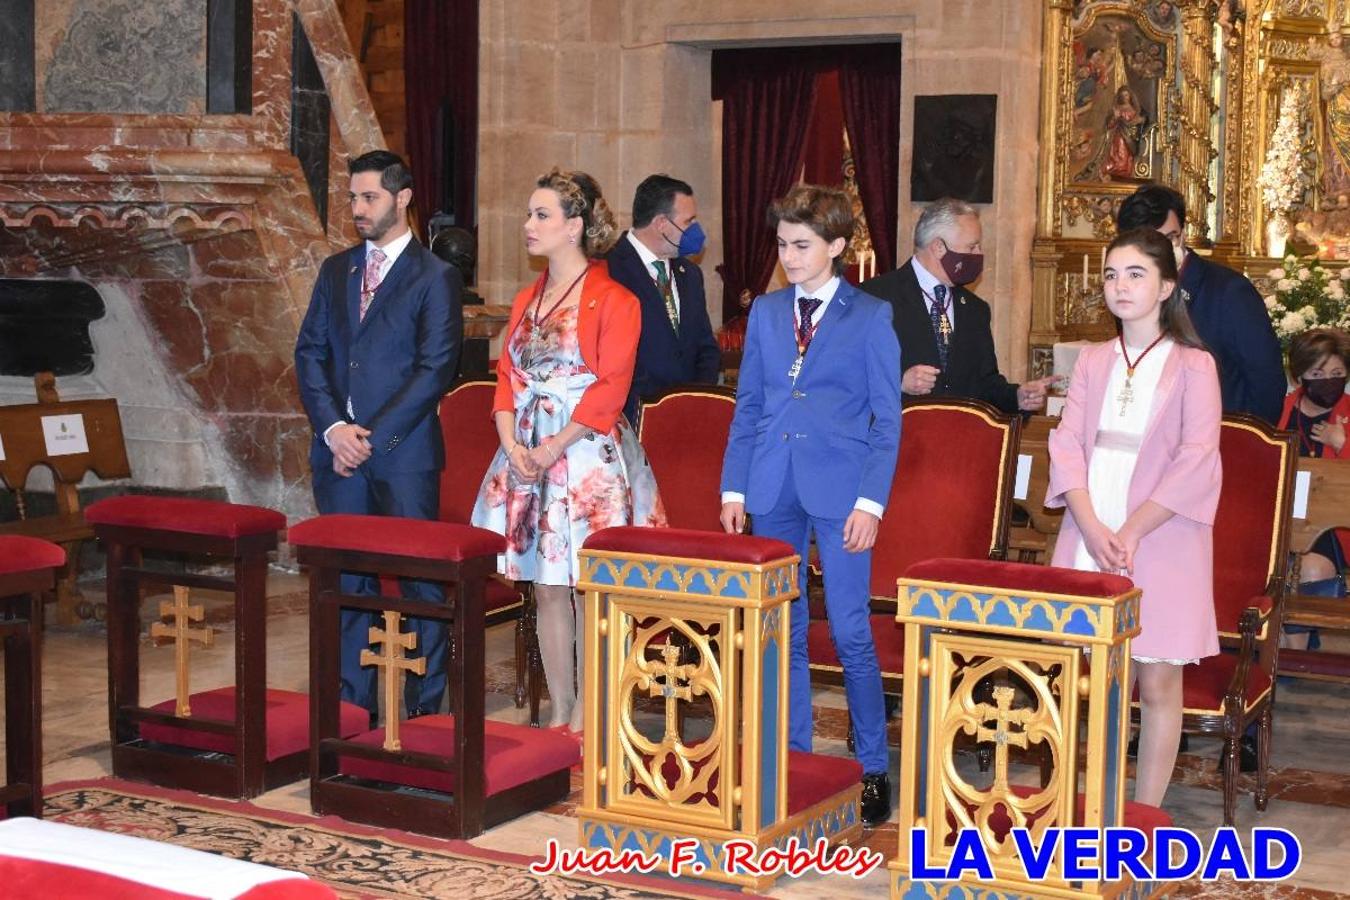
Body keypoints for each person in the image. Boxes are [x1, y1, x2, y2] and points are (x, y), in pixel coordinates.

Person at [719, 184, 901, 828]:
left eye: (801, 246)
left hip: (843, 492)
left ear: (837, 247)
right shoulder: (768, 313)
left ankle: (874, 767)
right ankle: (795, 759)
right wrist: (734, 488)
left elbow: (887, 419)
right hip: (773, 488)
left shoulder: (870, 316)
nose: (788, 258)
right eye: (781, 245)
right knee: (783, 631)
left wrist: (871, 501)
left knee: (851, 632)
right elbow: (749, 405)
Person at [472, 168, 667, 736]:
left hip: (586, 456)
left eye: (541, 215)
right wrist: (512, 443)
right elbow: (507, 373)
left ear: (574, 226)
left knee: (590, 587)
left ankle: (593, 710)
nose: (528, 225)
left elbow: (611, 385)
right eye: (529, 214)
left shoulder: (615, 297)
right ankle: (561, 709)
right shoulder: (526, 297)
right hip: (527, 454)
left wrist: (554, 443)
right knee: (548, 585)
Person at [1047, 227, 1222, 807]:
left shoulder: (1195, 365)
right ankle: (1088, 802)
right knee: (1090, 679)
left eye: (1136, 274)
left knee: (1157, 678)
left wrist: (1130, 531)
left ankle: (1141, 813)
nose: (1120, 286)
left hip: (1162, 532)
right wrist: (1094, 527)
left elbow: (1197, 458)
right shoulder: (1094, 360)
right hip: (1089, 527)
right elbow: (1067, 442)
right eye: (1111, 274)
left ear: (1167, 286)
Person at [294, 150, 464, 722]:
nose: (357, 209)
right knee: (346, 583)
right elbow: (310, 352)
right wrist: (335, 429)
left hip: (403, 456)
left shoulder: (436, 276)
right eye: (352, 198)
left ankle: (423, 714)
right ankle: (350, 705)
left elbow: (435, 367)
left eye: (369, 197)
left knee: (421, 586)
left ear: (403, 198)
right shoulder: (335, 268)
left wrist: (370, 438)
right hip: (338, 453)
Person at [859, 197, 1060, 413]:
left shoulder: (975, 310)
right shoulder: (872, 298)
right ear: (938, 247)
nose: (979, 255)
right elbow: (840, 375)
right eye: (972, 247)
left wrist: (1017, 397)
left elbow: (985, 384)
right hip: (892, 440)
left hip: (956, 439)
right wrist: (898, 382)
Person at [1116, 183, 1286, 423]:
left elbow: (1266, 383)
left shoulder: (1229, 291)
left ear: (1182, 234)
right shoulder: (1130, 293)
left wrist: (1247, 445)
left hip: (1222, 436)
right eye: (1147, 244)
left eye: (1169, 238)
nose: (1159, 250)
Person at [605, 174, 722, 425]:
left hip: (688, 421)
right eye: (688, 221)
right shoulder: (608, 270)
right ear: (661, 223)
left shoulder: (690, 274)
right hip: (632, 421)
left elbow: (705, 347)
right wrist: (655, 409)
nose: (695, 230)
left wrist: (695, 399)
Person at [1278, 327, 1350, 651]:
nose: (1328, 381)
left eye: (1337, 373)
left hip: (1333, 524)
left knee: (1311, 565)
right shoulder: (1282, 407)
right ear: (1300, 376)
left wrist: (1342, 443)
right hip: (1279, 516)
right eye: (1318, 373)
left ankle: (1296, 649)